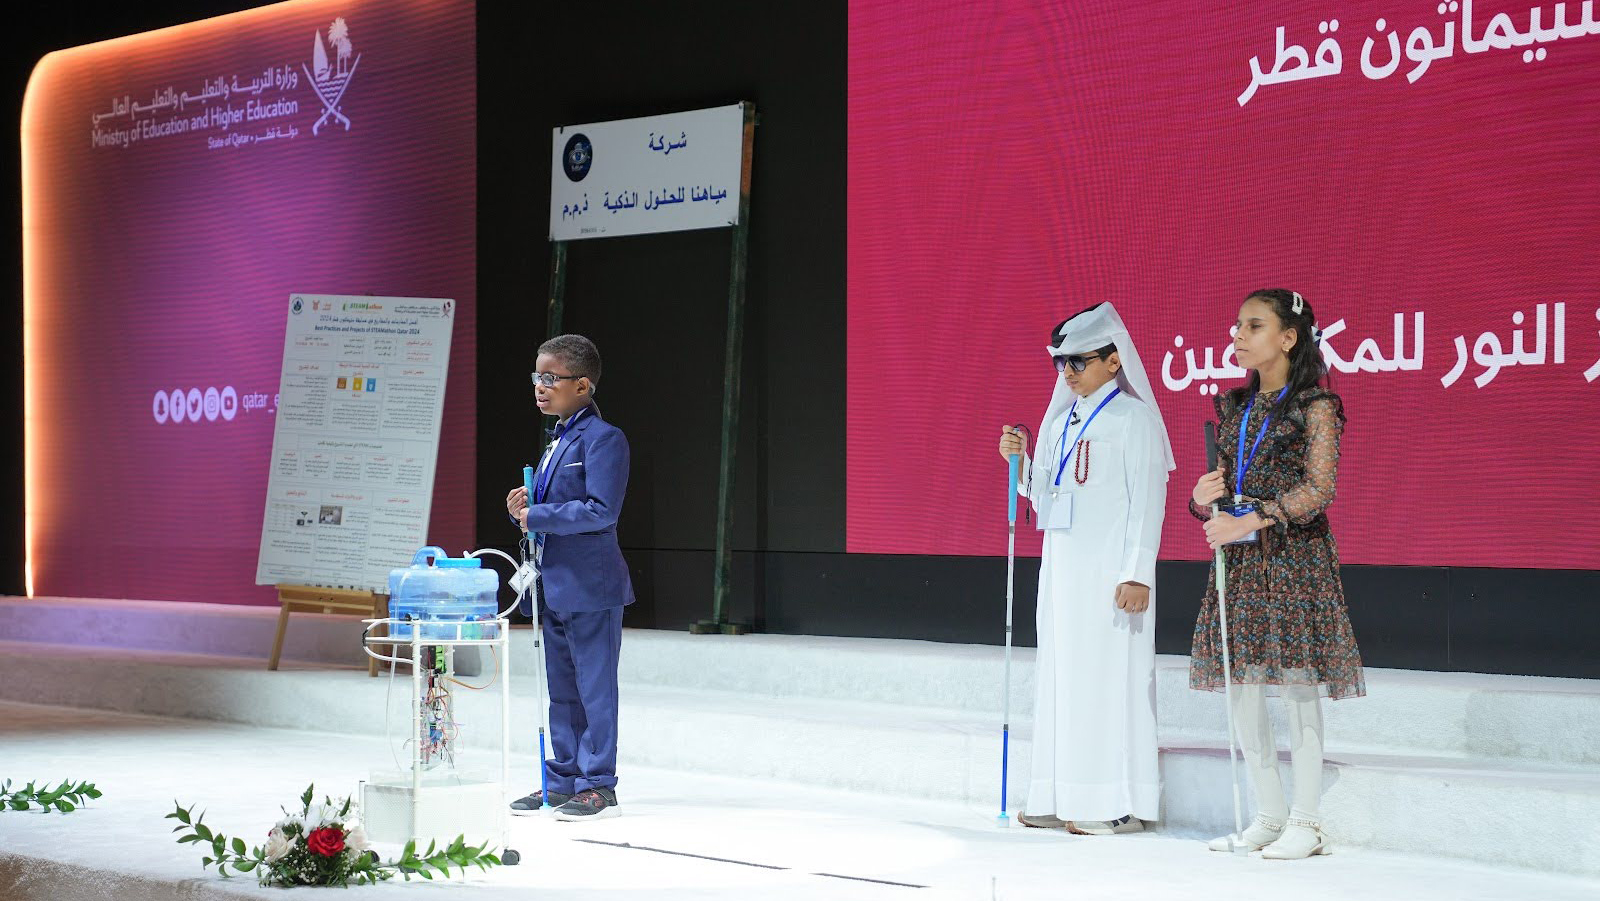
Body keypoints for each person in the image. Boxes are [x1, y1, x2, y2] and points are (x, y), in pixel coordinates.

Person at [1188, 289, 1364, 859]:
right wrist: (1201, 500)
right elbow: (1219, 492)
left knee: (1297, 685)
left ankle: (1307, 821)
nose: (1238, 336)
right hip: (1240, 562)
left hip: (1293, 560)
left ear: (1288, 338)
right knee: (1243, 686)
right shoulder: (1235, 407)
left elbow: (1319, 489)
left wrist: (1256, 519)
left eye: (1253, 326)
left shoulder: (1315, 405)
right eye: (1237, 326)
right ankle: (1269, 813)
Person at [998, 301, 1173, 835]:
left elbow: (1148, 501)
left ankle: (1118, 805)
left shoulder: (1134, 419)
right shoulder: (1059, 422)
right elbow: (1044, 495)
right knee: (1061, 681)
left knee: (1109, 682)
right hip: (1062, 576)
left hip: (1113, 577)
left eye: (1078, 361)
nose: (1068, 372)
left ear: (1114, 360)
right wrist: (1019, 463)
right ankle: (1059, 793)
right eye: (1061, 363)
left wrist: (1137, 572)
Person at [505, 334, 634, 821]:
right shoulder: (558, 438)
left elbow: (601, 511)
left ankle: (598, 784)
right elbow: (553, 510)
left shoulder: (604, 438)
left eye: (550, 378)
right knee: (562, 690)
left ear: (582, 385)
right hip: (554, 584)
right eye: (536, 377)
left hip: (591, 586)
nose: (540, 387)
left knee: (594, 689)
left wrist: (538, 515)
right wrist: (522, 509)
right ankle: (561, 779)